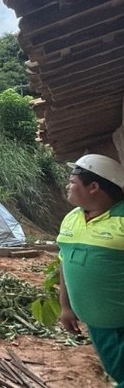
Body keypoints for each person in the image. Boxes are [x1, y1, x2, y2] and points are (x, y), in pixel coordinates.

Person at [57, 153, 124, 387]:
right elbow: (64, 262)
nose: (68, 186)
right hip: (98, 325)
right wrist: (66, 307)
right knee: (117, 371)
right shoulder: (71, 219)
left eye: (73, 182)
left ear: (94, 186)